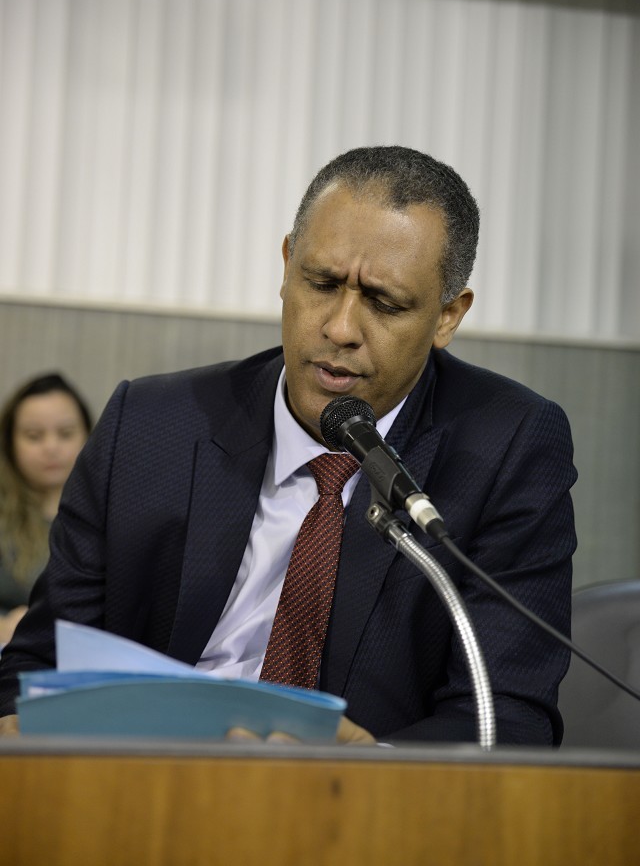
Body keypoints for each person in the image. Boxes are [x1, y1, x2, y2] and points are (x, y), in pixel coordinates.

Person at [0, 146, 577, 744]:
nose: (340, 328)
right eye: (321, 283)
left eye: (385, 304)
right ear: (285, 265)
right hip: (147, 772)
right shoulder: (149, 425)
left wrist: (375, 767)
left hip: (354, 794)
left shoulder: (508, 447)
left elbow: (507, 716)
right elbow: (37, 664)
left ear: (448, 316)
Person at [0, 373, 92, 647]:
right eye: (34, 436)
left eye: (66, 434)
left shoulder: (116, 515)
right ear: (10, 442)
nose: (51, 448)